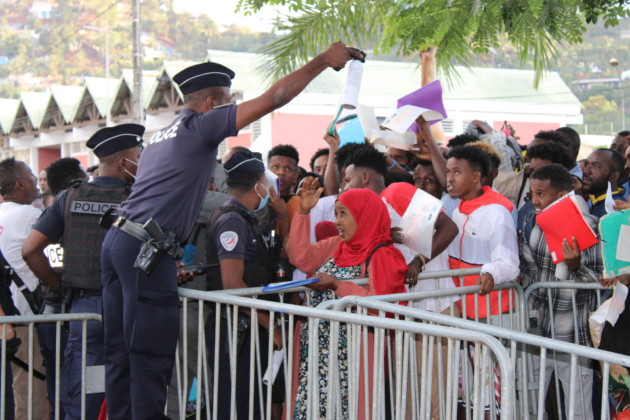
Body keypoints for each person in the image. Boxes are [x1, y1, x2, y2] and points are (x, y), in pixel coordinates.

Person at [99, 43, 360, 419]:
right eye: (227, 102)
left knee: (121, 354)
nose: (232, 109)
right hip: (143, 250)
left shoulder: (159, 136)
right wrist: (322, 60)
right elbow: (275, 97)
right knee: (150, 361)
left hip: (122, 243)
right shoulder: (200, 126)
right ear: (208, 103)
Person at [22, 124, 143, 420]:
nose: (144, 163)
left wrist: (57, 284)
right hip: (129, 307)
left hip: (84, 309)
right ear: (124, 162)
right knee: (128, 386)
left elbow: (30, 250)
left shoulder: (69, 197)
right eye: (139, 156)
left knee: (86, 387)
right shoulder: (139, 199)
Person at [287, 182, 408, 418]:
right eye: (336, 214)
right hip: (317, 350)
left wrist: (338, 286)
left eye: (344, 214)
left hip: (353, 354)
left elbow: (386, 308)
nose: (337, 222)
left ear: (365, 215)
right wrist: (302, 212)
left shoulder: (384, 254)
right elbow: (300, 258)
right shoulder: (336, 245)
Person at [204, 151, 287, 419]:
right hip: (235, 330)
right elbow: (232, 284)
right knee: (238, 405)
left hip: (242, 327)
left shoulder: (243, 217)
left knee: (251, 404)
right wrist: (269, 324)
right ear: (259, 185)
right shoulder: (232, 221)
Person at [520, 164, 602, 420]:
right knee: (530, 405)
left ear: (561, 195)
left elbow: (600, 283)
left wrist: (576, 266)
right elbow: (532, 273)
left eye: (541, 194)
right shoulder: (534, 223)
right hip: (537, 333)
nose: (534, 200)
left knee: (579, 410)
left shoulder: (589, 226)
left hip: (573, 335)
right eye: (532, 194)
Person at [445, 146, 519, 319]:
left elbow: (509, 264)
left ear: (475, 177)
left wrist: (491, 273)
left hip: (493, 310)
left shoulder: (497, 213)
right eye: (448, 172)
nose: (449, 179)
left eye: (457, 172)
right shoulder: (458, 212)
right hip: (464, 308)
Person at [0, 158, 47, 419]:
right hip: (25, 316)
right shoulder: (31, 215)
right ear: (19, 183)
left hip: (4, 314)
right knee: (28, 385)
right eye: (31, 174)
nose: (35, 182)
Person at [582, 148, 626, 218]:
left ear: (614, 176)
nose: (586, 171)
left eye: (596, 165)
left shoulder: (614, 210)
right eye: (586, 164)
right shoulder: (595, 201)